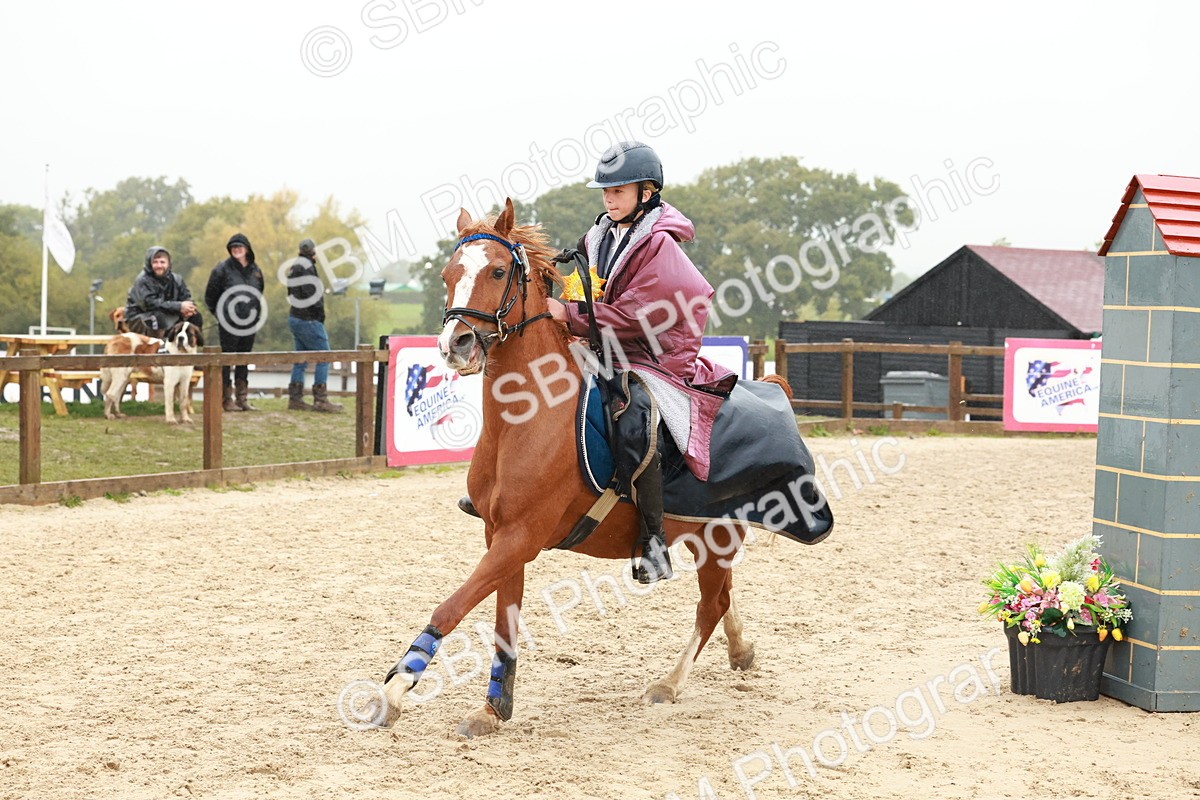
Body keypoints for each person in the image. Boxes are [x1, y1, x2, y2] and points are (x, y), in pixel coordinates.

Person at [548, 140, 736, 583]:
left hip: (657, 353)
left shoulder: (661, 246)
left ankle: (653, 541)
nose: (608, 199)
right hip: (608, 347)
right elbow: (585, 293)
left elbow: (637, 315)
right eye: (605, 192)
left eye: (618, 191)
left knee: (633, 416)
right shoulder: (598, 237)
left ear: (647, 193)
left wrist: (570, 316)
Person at [204, 232, 265, 412]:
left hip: (250, 322)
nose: (236, 250)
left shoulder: (256, 270)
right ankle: (226, 398)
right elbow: (210, 296)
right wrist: (221, 315)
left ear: (247, 249)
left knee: (244, 359)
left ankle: (242, 398)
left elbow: (259, 293)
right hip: (228, 323)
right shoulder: (221, 269)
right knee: (227, 359)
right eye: (233, 247)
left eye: (240, 246)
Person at [285, 238, 342, 413]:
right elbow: (314, 297)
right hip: (308, 319)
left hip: (295, 317)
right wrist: (319, 317)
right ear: (314, 252)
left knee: (300, 359)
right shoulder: (308, 268)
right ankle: (320, 400)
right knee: (325, 357)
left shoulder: (295, 267)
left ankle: (295, 398)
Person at [123, 246, 203, 336]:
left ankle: (190, 346)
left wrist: (189, 308)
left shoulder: (177, 279)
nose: (159, 266)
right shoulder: (143, 280)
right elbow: (150, 304)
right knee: (157, 319)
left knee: (195, 316)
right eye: (155, 262)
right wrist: (178, 306)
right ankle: (159, 347)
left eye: (162, 262)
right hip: (140, 317)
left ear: (168, 264)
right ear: (149, 263)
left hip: (168, 313)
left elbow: (186, 297)